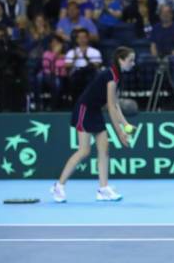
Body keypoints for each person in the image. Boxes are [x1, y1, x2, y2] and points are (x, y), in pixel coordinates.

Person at [51, 46, 136, 203]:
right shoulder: (110, 77)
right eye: (130, 60)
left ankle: (103, 189)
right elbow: (110, 107)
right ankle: (59, 186)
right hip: (84, 110)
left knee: (104, 149)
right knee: (84, 151)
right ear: (121, 60)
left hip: (94, 110)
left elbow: (116, 104)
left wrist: (125, 124)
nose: (133, 63)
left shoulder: (118, 76)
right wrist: (120, 133)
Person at [65, 28, 102, 103]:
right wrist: (74, 59)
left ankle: (91, 102)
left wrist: (86, 58)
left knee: (90, 75)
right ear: (76, 39)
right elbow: (67, 65)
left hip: (90, 73)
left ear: (88, 38)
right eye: (80, 37)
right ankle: (75, 103)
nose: (82, 39)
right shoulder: (71, 52)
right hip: (76, 74)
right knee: (76, 77)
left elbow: (97, 65)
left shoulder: (95, 51)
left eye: (84, 37)